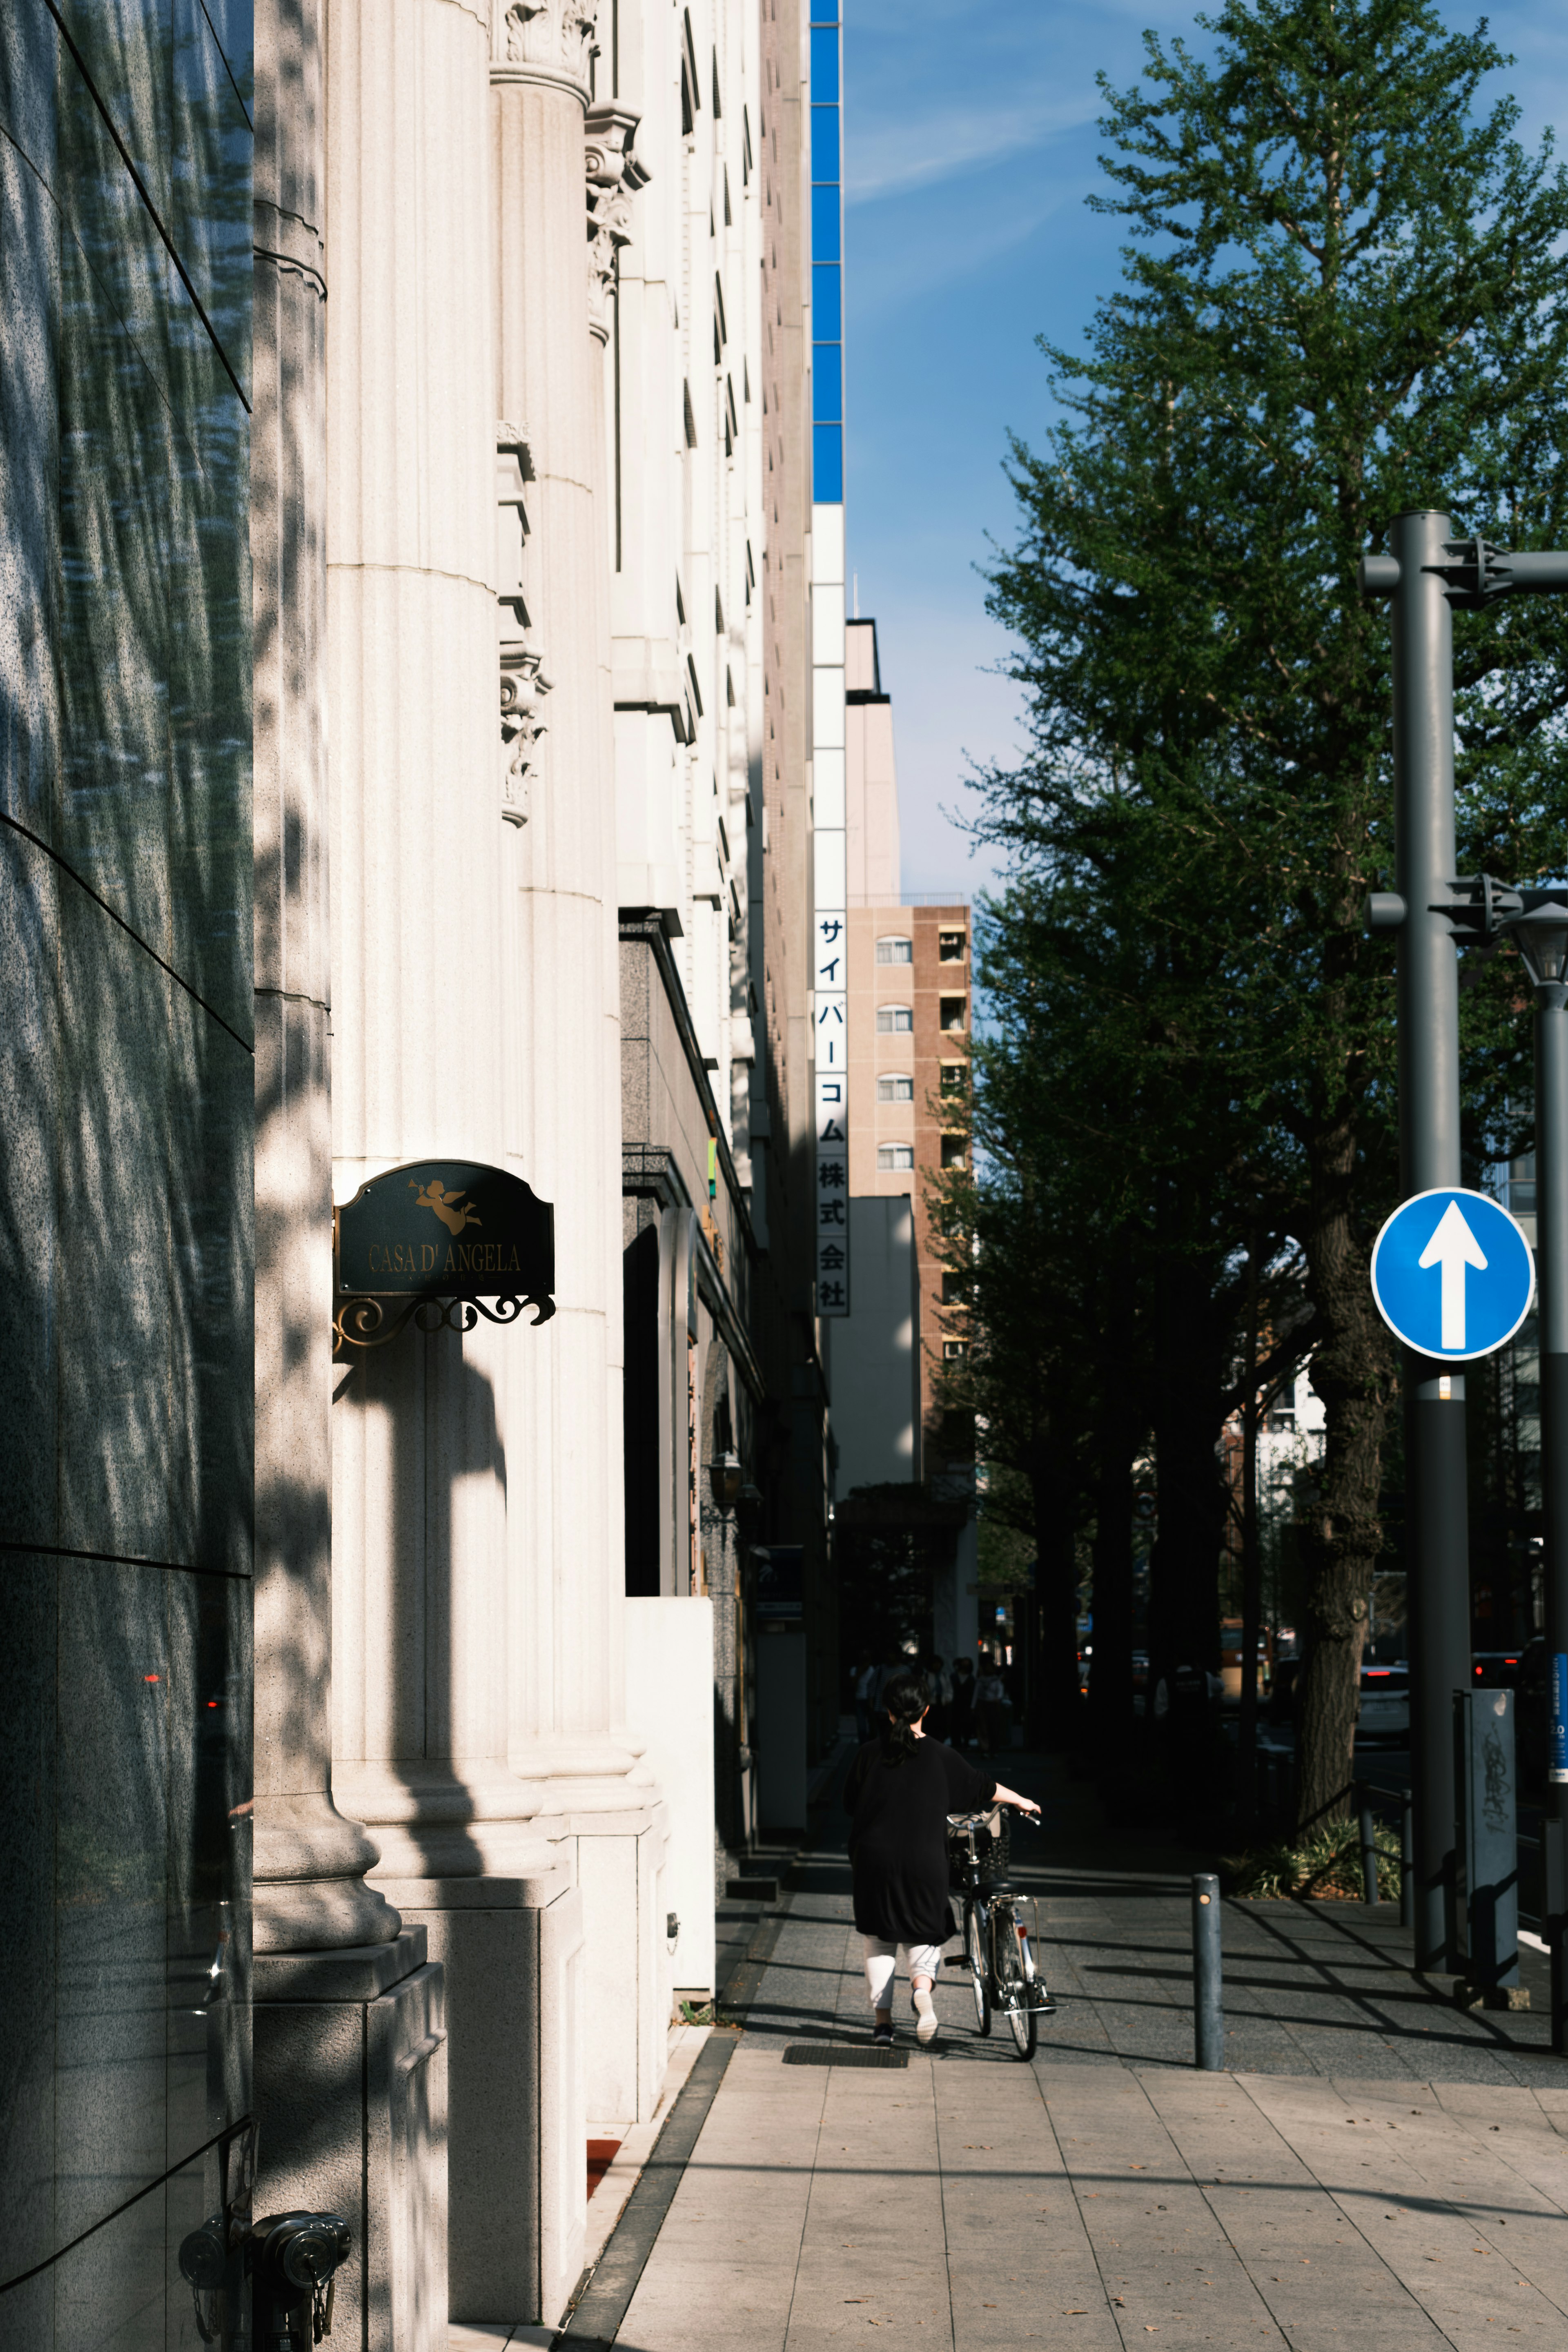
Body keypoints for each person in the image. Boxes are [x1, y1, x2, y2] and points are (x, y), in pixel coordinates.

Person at [845, 1669, 1040, 2047]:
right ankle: (922, 1991)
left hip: (874, 1863)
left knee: (879, 1942)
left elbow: (850, 1805)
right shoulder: (941, 1755)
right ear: (927, 1710)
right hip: (924, 1861)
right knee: (923, 1936)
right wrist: (1021, 1800)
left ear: (886, 1711)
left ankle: (883, 2026)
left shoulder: (867, 1754)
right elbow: (983, 1786)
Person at [976, 1656, 1009, 1757]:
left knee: (993, 1727)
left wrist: (998, 1698)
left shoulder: (996, 1680)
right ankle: (986, 1748)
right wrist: (973, 1707)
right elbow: (976, 1694)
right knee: (984, 1728)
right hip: (983, 1704)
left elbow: (1000, 1691)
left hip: (993, 1704)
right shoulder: (981, 1680)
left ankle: (993, 1749)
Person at [949, 1655, 976, 1749]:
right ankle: (957, 1742)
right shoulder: (954, 1676)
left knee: (967, 1723)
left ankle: (965, 1741)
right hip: (956, 1703)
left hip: (966, 1704)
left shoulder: (971, 1678)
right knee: (955, 1723)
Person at [853, 1654, 878, 1746]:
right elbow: (853, 1683)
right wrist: (860, 1672)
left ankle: (871, 1744)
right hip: (859, 1699)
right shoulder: (855, 1670)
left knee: (872, 1724)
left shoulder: (873, 1670)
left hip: (870, 1699)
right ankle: (863, 1745)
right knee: (861, 1725)